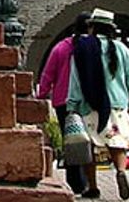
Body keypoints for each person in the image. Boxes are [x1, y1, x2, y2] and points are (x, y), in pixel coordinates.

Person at [66, 7, 129, 200]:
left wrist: (72, 105)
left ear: (91, 27)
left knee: (88, 144)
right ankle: (121, 171)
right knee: (117, 142)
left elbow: (75, 78)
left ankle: (93, 186)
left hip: (89, 103)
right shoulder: (122, 49)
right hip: (118, 103)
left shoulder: (81, 47)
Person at [37, 13, 90, 192]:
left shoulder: (61, 48)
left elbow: (48, 74)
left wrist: (42, 94)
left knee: (72, 141)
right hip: (89, 101)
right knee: (90, 140)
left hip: (64, 102)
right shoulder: (94, 47)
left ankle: (76, 181)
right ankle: (90, 180)